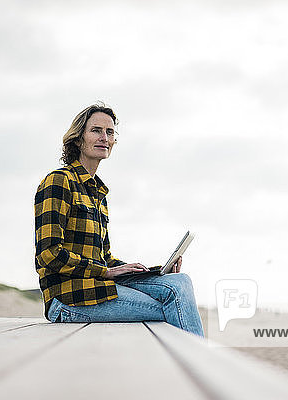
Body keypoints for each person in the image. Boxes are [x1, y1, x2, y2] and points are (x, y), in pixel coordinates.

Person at [34, 103, 204, 336]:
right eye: (96, 130)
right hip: (68, 299)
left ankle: (190, 364)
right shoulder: (58, 181)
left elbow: (104, 259)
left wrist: (153, 271)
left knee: (179, 282)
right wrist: (105, 273)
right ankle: (198, 367)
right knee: (172, 303)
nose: (104, 137)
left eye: (110, 132)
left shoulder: (98, 193)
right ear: (78, 138)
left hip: (98, 286)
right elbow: (49, 254)